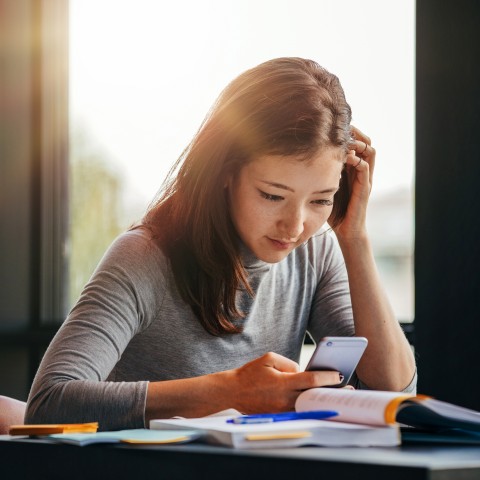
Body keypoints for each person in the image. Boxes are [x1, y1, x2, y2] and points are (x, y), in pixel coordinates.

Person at [25, 57, 416, 431]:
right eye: (272, 195)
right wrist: (229, 392)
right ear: (225, 173)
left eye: (320, 200)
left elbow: (396, 391)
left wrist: (356, 238)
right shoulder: (144, 256)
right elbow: (49, 403)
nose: (295, 226)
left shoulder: (315, 252)